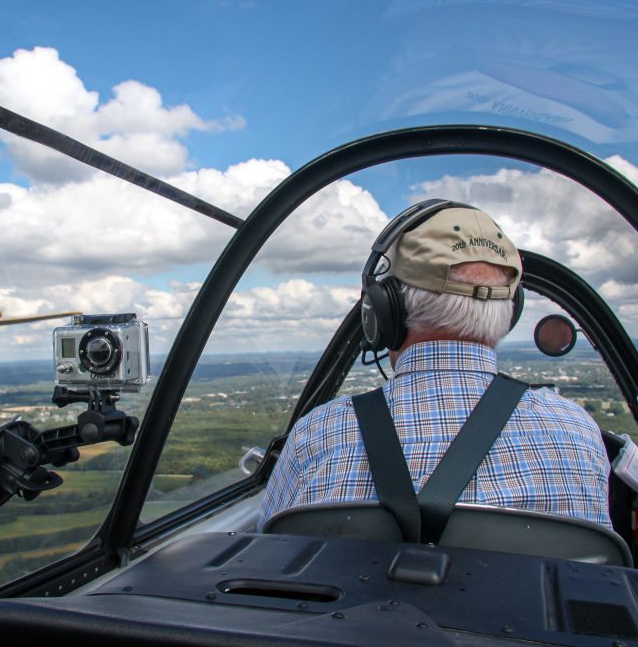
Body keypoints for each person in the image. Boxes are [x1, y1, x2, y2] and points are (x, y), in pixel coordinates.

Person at [258, 205, 611, 530]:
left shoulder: (316, 438)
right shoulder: (577, 435)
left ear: (384, 311)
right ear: (510, 311)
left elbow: (269, 557)